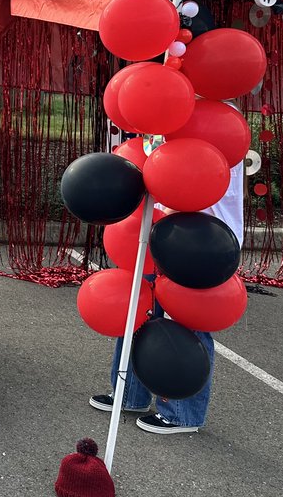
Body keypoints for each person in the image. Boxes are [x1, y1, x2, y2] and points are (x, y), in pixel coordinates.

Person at [90, 157, 245, 433]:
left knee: (188, 320)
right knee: (137, 307)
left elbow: (195, 181)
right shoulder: (170, 125)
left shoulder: (212, 122)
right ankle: (129, 394)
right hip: (157, 228)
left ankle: (182, 413)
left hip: (199, 239)